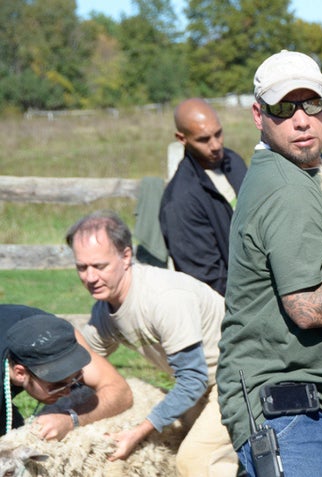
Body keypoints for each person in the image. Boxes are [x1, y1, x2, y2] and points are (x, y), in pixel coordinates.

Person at [216, 50, 322, 476]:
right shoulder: (286, 186)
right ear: (258, 114)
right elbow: (309, 307)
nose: (301, 119)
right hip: (294, 414)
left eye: (311, 104)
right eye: (283, 108)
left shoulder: (315, 175)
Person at [64, 210, 237, 477]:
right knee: (183, 445)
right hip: (200, 385)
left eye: (99, 266)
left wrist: (138, 431)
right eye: (81, 267)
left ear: (126, 256)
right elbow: (82, 362)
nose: (89, 277)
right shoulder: (105, 310)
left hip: (238, 379)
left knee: (195, 461)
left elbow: (192, 378)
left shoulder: (164, 299)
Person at [1, 305, 132, 440]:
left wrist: (71, 420)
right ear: (20, 373)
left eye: (75, 378)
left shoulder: (56, 333)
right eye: (57, 383)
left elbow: (121, 392)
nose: (68, 393)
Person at [159, 97, 247, 296]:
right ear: (182, 138)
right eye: (203, 139)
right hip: (233, 305)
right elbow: (208, 279)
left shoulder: (233, 162)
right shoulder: (181, 201)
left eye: (218, 134)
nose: (216, 145)